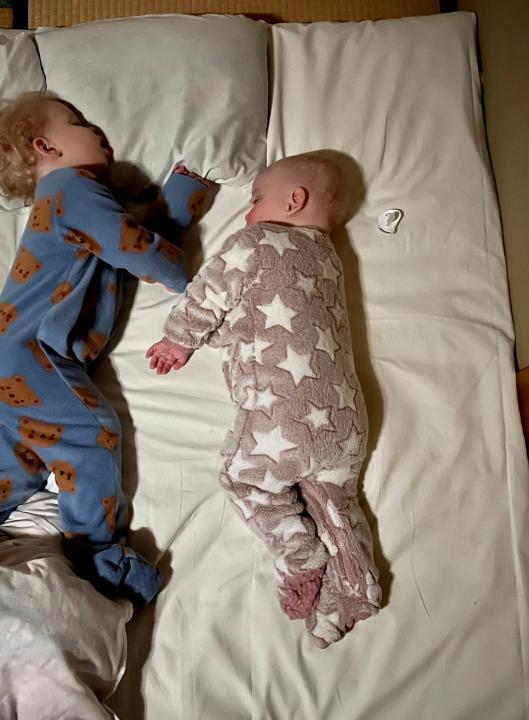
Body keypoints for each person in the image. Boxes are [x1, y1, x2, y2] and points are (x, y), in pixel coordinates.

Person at [0, 91, 210, 607]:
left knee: (9, 470)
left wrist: (188, 186)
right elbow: (147, 254)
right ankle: (99, 558)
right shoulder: (71, 189)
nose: (97, 130)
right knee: (92, 435)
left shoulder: (79, 206)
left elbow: (136, 239)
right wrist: (182, 277)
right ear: (46, 146)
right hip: (31, 358)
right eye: (79, 122)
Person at [146, 153, 380, 645]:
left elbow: (209, 295)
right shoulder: (329, 260)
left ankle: (303, 558)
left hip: (286, 415)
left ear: (293, 200)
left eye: (255, 199)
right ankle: (355, 589)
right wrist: (224, 335)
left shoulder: (255, 241)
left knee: (243, 476)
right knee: (336, 502)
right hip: (345, 418)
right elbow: (271, 316)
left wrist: (179, 339)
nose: (248, 212)